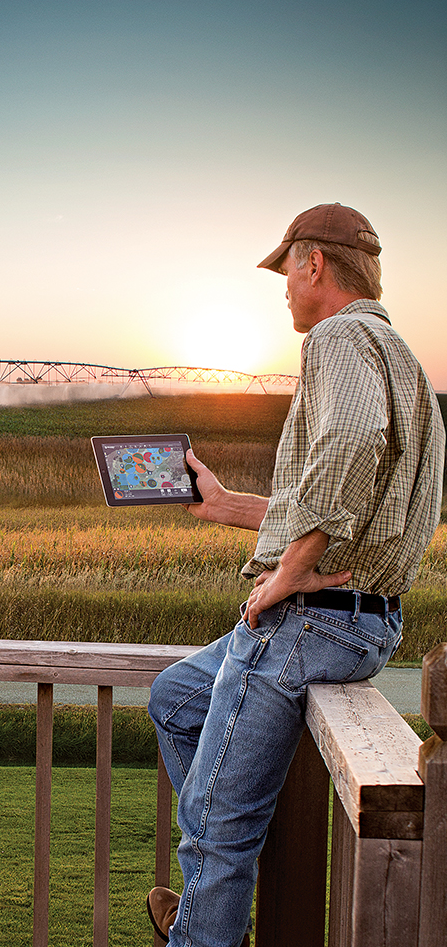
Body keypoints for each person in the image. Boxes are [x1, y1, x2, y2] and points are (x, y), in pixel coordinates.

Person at [145, 203, 445, 947]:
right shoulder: (401, 355)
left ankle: (214, 901)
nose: (281, 286)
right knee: (178, 695)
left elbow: (346, 446)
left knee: (213, 828)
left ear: (315, 263)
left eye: (286, 268)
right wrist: (226, 507)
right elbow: (356, 493)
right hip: (367, 620)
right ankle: (222, 885)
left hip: (313, 618)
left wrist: (288, 573)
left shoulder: (340, 337)